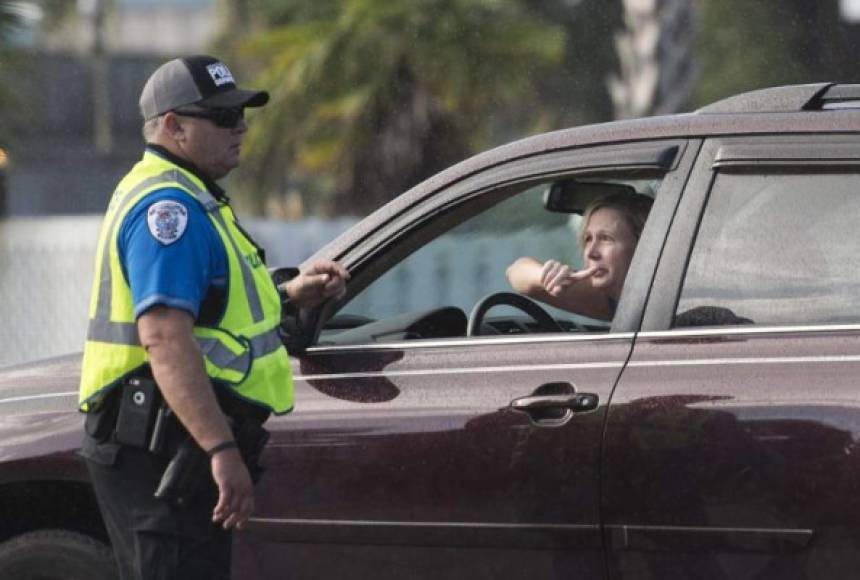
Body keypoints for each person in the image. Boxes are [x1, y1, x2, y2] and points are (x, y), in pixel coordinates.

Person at [77, 55, 349, 579]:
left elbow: (215, 316)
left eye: (242, 114)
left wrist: (292, 295)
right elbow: (164, 338)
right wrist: (220, 448)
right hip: (163, 449)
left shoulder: (192, 197)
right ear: (174, 126)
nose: (242, 126)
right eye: (223, 117)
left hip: (173, 441)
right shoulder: (169, 210)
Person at [506, 192, 653, 321]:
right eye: (588, 239)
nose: (591, 253)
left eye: (606, 238)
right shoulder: (612, 295)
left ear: (644, 245)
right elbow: (515, 271)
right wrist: (546, 276)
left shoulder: (667, 301)